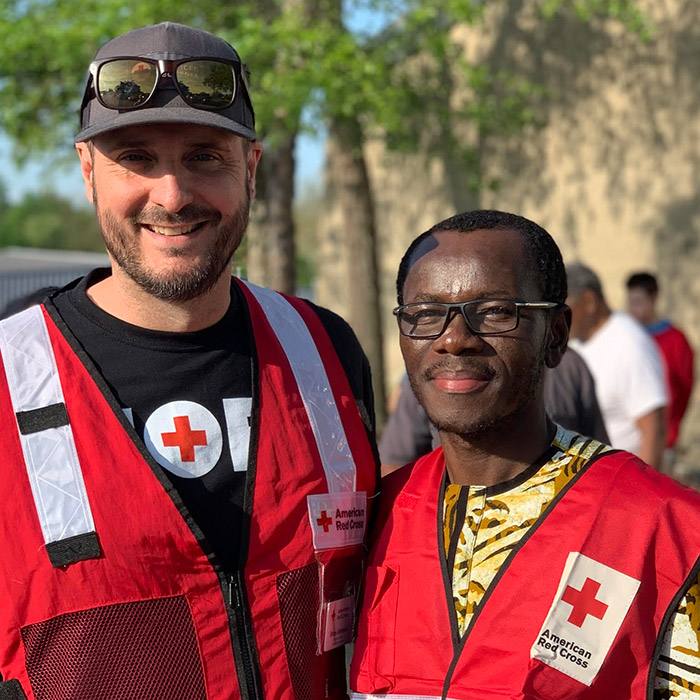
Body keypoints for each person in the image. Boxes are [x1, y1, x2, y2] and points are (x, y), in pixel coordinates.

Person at [0, 23, 378, 700]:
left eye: (206, 157)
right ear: (88, 171)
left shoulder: (327, 353)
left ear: (252, 169)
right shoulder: (7, 375)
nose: (172, 196)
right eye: (136, 158)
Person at [350, 210, 700, 699]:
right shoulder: (373, 518)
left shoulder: (663, 530)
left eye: (495, 311)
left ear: (555, 336)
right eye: (426, 314)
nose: (454, 339)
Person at [379, 346, 609, 475]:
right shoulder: (435, 374)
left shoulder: (570, 366)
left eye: (496, 311)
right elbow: (394, 463)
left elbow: (599, 458)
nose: (455, 339)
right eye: (432, 312)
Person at [567, 263, 667, 468]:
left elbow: (653, 430)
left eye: (565, 308)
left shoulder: (630, 345)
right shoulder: (575, 342)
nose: (558, 318)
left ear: (588, 301)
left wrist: (641, 494)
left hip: (623, 485)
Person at [626, 272, 695, 457]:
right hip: (626, 439)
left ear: (654, 298)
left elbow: (684, 387)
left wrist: (670, 430)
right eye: (630, 302)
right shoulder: (626, 338)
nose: (633, 309)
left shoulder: (676, 340)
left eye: (638, 302)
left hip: (661, 440)